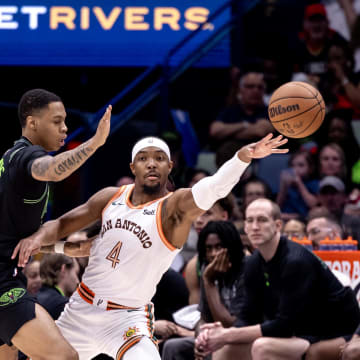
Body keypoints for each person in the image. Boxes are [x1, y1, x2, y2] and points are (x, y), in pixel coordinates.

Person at [12, 134, 288, 360]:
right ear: (133, 167)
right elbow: (62, 227)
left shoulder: (173, 208)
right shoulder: (111, 197)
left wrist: (242, 158)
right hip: (81, 309)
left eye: (159, 158)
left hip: (126, 319)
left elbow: (214, 188)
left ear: (170, 166)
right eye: (143, 159)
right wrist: (39, 243)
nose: (152, 164)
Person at [0, 88, 112, 360]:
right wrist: (95, 142)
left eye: (65, 121)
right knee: (65, 357)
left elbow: (15, 240)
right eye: (57, 121)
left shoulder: (10, 161)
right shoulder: (26, 157)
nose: (65, 128)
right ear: (32, 122)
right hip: (3, 284)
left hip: (9, 274)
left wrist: (62, 247)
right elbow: (52, 169)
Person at [195, 198, 360, 360]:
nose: (254, 227)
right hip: (299, 333)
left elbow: (284, 326)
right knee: (227, 349)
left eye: (262, 220)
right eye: (250, 221)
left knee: (262, 347)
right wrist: (219, 332)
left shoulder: (295, 260)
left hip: (333, 333)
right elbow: (248, 316)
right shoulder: (254, 262)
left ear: (278, 225)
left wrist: (227, 334)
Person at [162, 220, 246, 360]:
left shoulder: (246, 269)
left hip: (240, 337)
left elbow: (230, 324)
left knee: (214, 351)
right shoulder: (207, 268)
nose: (214, 254)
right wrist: (201, 339)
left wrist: (209, 282)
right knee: (173, 347)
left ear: (231, 246)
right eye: (209, 249)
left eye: (219, 247)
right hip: (215, 336)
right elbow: (203, 318)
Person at [37, 254, 80, 320]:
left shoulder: (33, 298)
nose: (77, 281)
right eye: (76, 273)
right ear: (64, 269)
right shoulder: (64, 306)